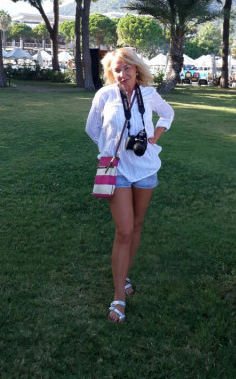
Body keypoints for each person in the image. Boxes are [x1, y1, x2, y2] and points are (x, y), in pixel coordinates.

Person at [86, 47, 174, 323]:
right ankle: (118, 297)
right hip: (118, 170)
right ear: (110, 72)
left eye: (127, 68)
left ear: (137, 69)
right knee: (124, 230)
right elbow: (92, 128)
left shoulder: (148, 94)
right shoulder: (105, 95)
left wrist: (155, 136)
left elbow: (167, 114)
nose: (122, 74)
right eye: (117, 69)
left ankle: (123, 276)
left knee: (136, 225)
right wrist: (110, 148)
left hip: (145, 169)